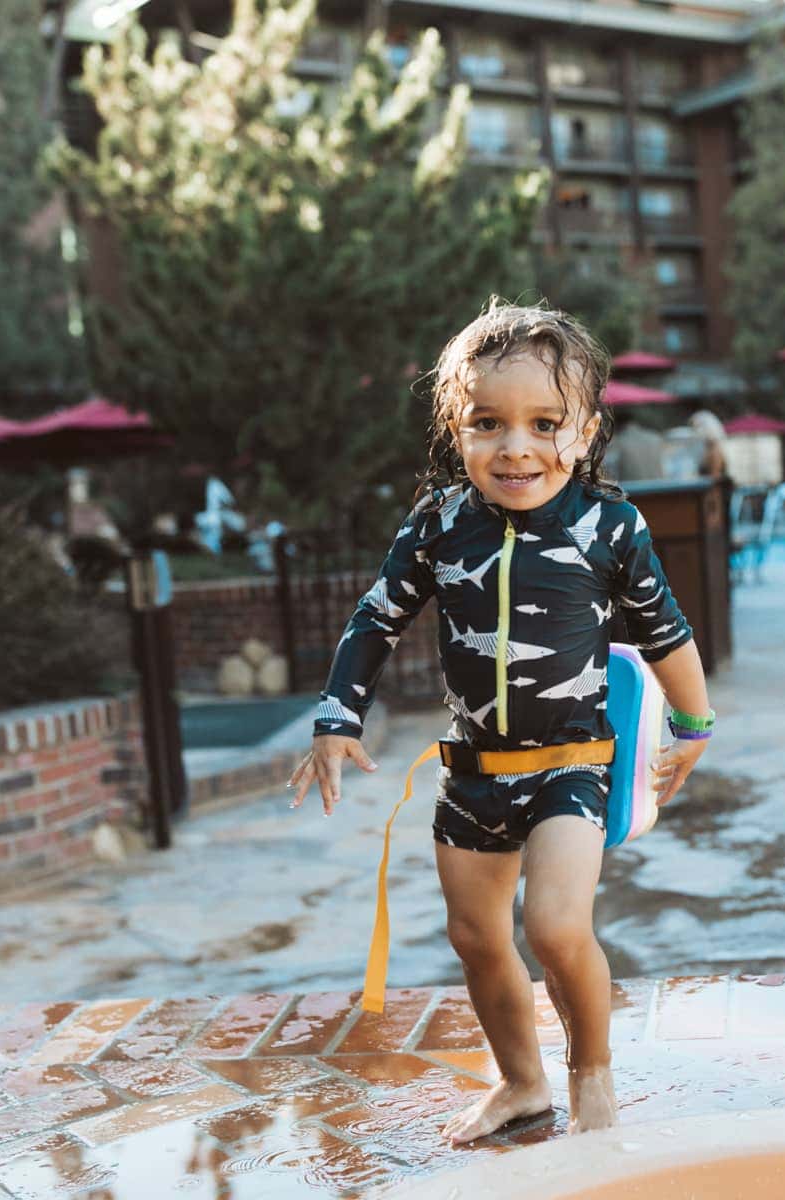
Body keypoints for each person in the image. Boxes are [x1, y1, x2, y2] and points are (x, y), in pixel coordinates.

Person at [287, 302, 713, 1145]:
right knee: (476, 938)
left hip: (574, 764)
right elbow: (377, 619)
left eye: (544, 423)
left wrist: (693, 728)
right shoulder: (439, 525)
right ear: (458, 427)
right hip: (474, 772)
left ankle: (592, 1076)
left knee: (556, 928)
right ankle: (522, 1083)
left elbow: (665, 631)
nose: (516, 446)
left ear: (585, 432)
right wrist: (338, 719)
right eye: (488, 423)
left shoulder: (607, 526)